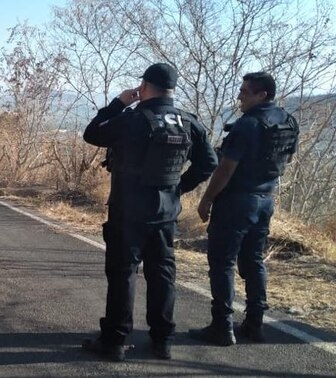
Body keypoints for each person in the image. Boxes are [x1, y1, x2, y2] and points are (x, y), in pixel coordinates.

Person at [82, 63, 218, 361]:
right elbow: (209, 162)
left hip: (128, 212)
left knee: (123, 275)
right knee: (162, 275)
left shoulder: (132, 119)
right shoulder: (187, 122)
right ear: (172, 90)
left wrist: (118, 103)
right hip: (166, 212)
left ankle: (115, 342)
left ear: (143, 87)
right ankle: (162, 341)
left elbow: (92, 133)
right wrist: (178, 188)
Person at [190, 72, 299, 346]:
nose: (240, 95)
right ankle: (254, 324)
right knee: (254, 259)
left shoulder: (248, 124)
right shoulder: (287, 121)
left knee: (222, 262)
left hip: (237, 201)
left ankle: (222, 326)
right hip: (265, 199)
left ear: (262, 95)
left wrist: (207, 200)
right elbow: (286, 157)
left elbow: (226, 169)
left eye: (245, 91)